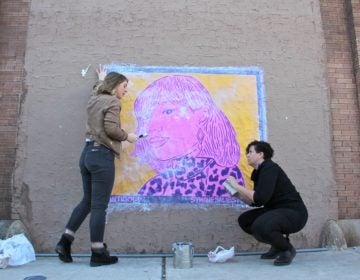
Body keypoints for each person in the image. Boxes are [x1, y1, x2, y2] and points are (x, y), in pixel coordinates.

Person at [55, 66, 139, 267]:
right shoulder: (112, 101)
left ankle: (65, 241)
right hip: (101, 156)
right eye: (124, 86)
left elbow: (97, 91)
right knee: (99, 206)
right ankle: (98, 252)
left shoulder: (94, 99)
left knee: (87, 202)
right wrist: (129, 137)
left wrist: (101, 79)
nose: (125, 91)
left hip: (86, 155)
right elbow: (111, 128)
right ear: (115, 85)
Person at [133, 75, 245, 199]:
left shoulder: (223, 175)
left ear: (203, 115)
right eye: (147, 117)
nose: (151, 127)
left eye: (168, 111)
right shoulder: (154, 186)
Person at [225, 140, 308, 266]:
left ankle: (287, 249)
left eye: (250, 152)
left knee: (261, 225)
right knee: (245, 220)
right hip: (276, 211)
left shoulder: (270, 168)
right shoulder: (259, 172)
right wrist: (237, 194)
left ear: (261, 154)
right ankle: (277, 245)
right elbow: (256, 202)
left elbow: (259, 197)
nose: (247, 155)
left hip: (294, 213)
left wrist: (237, 186)